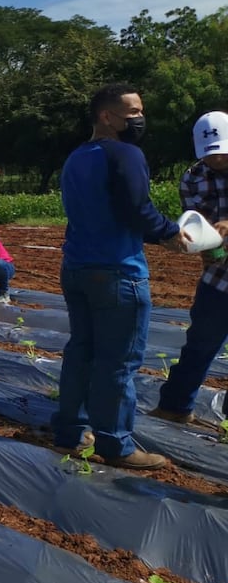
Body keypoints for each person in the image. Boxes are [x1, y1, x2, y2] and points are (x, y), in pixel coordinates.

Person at [52, 83, 189, 470]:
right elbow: (137, 209)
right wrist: (169, 233)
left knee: (82, 351)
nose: (139, 120)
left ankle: (70, 431)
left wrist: (155, 230)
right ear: (106, 116)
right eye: (131, 113)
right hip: (116, 271)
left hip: (77, 267)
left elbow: (111, 211)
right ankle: (115, 444)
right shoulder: (125, 153)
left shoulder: (77, 157)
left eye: (140, 111)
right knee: (118, 362)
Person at [151, 111, 228, 425]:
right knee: (200, 343)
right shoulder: (194, 176)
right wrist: (203, 244)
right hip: (219, 275)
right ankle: (175, 407)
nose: (217, 160)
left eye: (222, 153)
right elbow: (197, 222)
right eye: (210, 155)